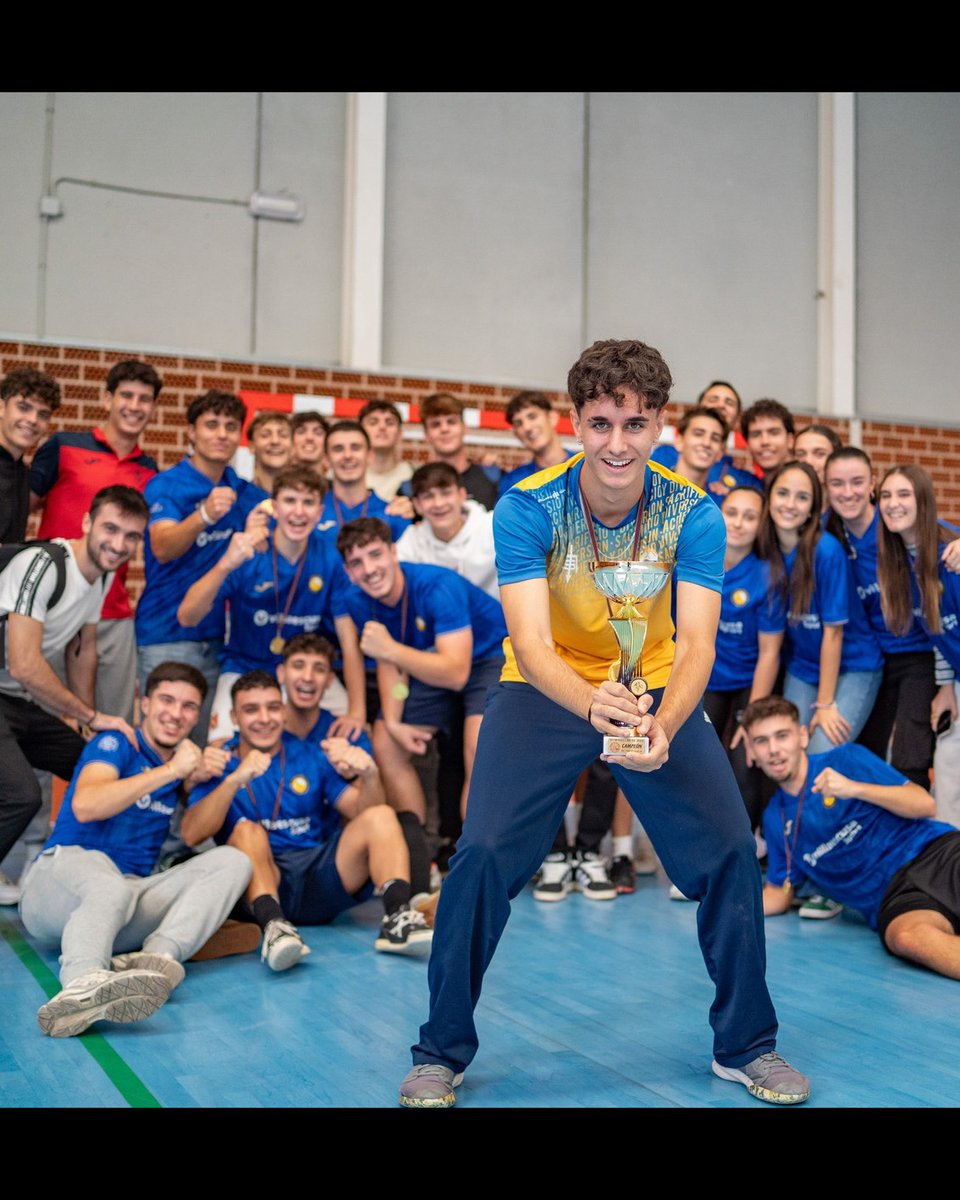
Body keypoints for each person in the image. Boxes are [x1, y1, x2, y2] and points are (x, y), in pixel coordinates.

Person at [397, 337, 809, 1109]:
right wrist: (590, 702)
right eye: (601, 424)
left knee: (728, 851)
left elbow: (696, 643)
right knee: (480, 855)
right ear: (577, 423)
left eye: (635, 424)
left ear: (660, 426)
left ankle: (746, 1044)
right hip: (544, 688)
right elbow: (528, 641)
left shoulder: (694, 514)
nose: (617, 443)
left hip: (652, 686)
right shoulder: (528, 507)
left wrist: (665, 722)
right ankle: (439, 1051)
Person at [18, 661, 252, 1037]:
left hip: (124, 900)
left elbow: (193, 834)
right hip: (56, 885)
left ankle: (154, 957)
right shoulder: (116, 744)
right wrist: (172, 772)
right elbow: (87, 805)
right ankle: (80, 984)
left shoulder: (183, 765)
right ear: (144, 702)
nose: (176, 713)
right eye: (166, 700)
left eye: (188, 706)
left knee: (234, 861)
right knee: (110, 884)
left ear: (197, 716)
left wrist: (219, 779)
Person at [181, 670, 433, 966]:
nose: (264, 718)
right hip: (261, 881)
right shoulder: (218, 761)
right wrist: (234, 779)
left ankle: (397, 917)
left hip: (318, 877)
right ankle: (275, 927)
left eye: (273, 707)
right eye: (251, 709)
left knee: (382, 814)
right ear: (234, 718)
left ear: (284, 712)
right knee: (247, 830)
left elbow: (364, 813)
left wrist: (370, 775)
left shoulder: (309, 754)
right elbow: (191, 834)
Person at [0, 485, 149, 906]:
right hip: (9, 691)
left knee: (92, 763)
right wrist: (90, 715)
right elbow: (24, 665)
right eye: (110, 529)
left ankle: (77, 867)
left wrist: (87, 726)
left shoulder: (102, 575)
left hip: (14, 702)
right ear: (86, 523)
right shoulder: (44, 564)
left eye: (131, 536)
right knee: (22, 795)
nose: (118, 544)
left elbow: (82, 651)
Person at [743, 694, 960, 981]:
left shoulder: (844, 759)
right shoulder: (775, 818)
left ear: (803, 737)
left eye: (782, 736)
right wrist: (729, 907)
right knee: (907, 938)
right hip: (894, 897)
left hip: (934, 853)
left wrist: (854, 789)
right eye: (761, 741)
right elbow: (778, 894)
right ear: (752, 752)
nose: (773, 749)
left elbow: (925, 804)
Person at [335, 516, 507, 871]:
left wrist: (390, 649)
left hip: (488, 657)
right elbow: (388, 660)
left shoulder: (436, 586)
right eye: (357, 563)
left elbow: (456, 673)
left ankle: (478, 860)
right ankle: (416, 857)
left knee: (478, 745)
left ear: (393, 552)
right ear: (348, 572)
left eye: (375, 555)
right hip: (429, 661)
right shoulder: (357, 599)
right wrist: (394, 722)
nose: (369, 569)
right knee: (385, 739)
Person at [176, 465, 361, 741]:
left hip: (302, 672)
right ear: (274, 507)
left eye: (308, 502)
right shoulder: (249, 549)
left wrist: (357, 711)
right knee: (220, 748)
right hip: (243, 667)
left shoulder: (330, 556)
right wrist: (226, 564)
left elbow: (348, 638)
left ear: (320, 512)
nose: (298, 511)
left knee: (353, 734)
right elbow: (187, 616)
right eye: (290, 501)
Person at [29, 358, 162, 723]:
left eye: (144, 399)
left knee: (113, 725)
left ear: (153, 408)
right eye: (126, 395)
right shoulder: (63, 446)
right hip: (51, 608)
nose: (134, 406)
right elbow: (20, 506)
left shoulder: (150, 471)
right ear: (107, 399)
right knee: (40, 724)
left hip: (112, 614)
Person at [134, 389, 266, 745]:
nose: (222, 434)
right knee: (161, 741)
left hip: (218, 637)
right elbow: (162, 547)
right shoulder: (167, 485)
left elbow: (284, 512)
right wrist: (204, 515)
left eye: (230, 426)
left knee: (199, 748)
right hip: (167, 632)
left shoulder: (241, 490)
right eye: (211, 425)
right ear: (191, 432)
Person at [824, 449, 941, 792]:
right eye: (837, 483)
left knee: (909, 752)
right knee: (866, 747)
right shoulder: (830, 533)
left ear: (872, 484)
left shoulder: (892, 523)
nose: (848, 492)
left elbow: (937, 534)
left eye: (857, 482)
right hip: (873, 658)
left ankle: (920, 820)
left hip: (919, 653)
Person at [875, 464, 959, 815]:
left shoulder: (952, 552)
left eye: (903, 494)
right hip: (955, 677)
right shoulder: (899, 562)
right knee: (948, 777)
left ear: (923, 499)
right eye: (886, 495)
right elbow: (937, 633)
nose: (893, 503)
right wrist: (946, 686)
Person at [703, 485, 782, 839]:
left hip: (749, 681)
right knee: (698, 757)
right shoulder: (697, 560)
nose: (737, 523)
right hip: (706, 678)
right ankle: (701, 844)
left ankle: (746, 843)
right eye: (731, 513)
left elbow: (769, 653)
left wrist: (751, 717)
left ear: (761, 524)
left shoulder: (768, 576)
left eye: (749, 517)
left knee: (745, 758)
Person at [397, 461, 499, 600]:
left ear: (461, 495)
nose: (438, 504)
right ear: (417, 505)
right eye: (428, 496)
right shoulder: (413, 539)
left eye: (446, 493)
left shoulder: (493, 527)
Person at [650, 380, 760, 503]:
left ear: (737, 419)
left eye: (729, 402)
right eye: (713, 399)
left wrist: (731, 500)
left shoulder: (743, 479)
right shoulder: (665, 454)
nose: (721, 405)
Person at [316, 420, 412, 543]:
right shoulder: (312, 511)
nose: (347, 455)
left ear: (370, 456)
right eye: (338, 449)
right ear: (326, 460)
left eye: (356, 448)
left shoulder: (393, 514)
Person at [0, 368, 61, 545]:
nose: (33, 420)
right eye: (23, 407)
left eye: (43, 414)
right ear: (2, 407)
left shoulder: (22, 473)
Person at [418, 392, 499, 510]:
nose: (444, 429)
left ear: (465, 428)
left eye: (451, 422)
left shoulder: (494, 477)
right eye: (436, 424)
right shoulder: (412, 487)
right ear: (426, 435)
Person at [497, 390, 574, 499]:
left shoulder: (584, 467)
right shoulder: (514, 484)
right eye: (518, 423)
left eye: (532, 416)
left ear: (552, 418)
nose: (527, 427)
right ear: (516, 434)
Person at [664, 405, 729, 502]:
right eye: (698, 434)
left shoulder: (721, 504)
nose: (706, 443)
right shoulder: (651, 488)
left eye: (715, 438)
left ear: (720, 452)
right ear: (679, 441)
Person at [360, 399, 414, 501]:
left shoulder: (412, 476)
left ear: (400, 434)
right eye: (373, 422)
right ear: (360, 433)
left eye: (389, 423)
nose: (382, 427)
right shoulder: (343, 475)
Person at [741, 398, 796, 485]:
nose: (765, 442)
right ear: (747, 444)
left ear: (790, 440)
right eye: (756, 434)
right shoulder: (753, 487)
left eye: (774, 433)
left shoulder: (808, 486)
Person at [244, 409, 293, 499]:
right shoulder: (237, 497)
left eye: (283, 435)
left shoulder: (308, 499)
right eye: (265, 435)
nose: (275, 441)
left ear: (293, 445)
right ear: (251, 446)